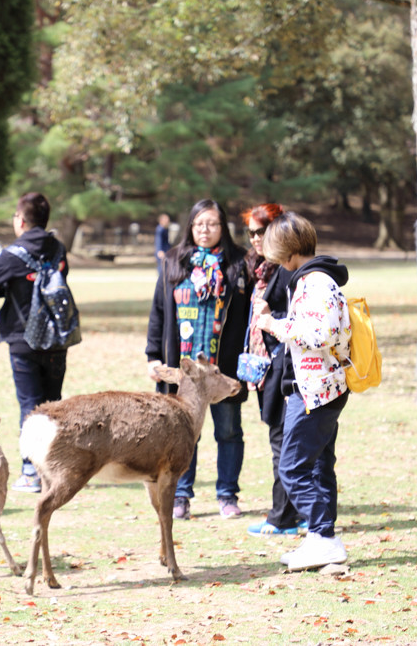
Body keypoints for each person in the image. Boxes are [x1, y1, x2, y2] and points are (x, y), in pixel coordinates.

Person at [251, 211, 351, 570]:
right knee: (320, 465)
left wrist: (274, 325)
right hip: (321, 386)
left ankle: (324, 538)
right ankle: (320, 539)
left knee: (292, 467)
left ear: (288, 251)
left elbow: (319, 335)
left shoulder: (316, 283)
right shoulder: (313, 279)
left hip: (315, 389)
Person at [145, 199, 251, 520]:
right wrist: (153, 355)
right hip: (184, 371)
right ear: (190, 226)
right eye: (199, 224)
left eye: (213, 224)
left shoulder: (238, 265)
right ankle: (180, 495)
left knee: (229, 431)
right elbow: (159, 312)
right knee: (181, 435)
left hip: (223, 368)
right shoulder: (174, 261)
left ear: (224, 228)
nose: (205, 230)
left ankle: (227, 495)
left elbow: (246, 317)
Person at [0, 193, 72, 493]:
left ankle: (31, 472)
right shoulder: (58, 248)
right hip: (57, 337)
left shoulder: (12, 254)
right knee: (53, 403)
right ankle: (54, 469)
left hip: (23, 339)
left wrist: (12, 283)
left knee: (30, 405)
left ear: (21, 220)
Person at [240, 203, 304, 537]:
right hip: (263, 365)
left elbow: (294, 321)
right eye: (250, 232)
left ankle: (283, 516)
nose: (255, 238)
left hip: (285, 366)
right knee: (282, 438)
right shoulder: (260, 268)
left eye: (261, 231)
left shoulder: (287, 269)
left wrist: (268, 313)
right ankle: (298, 511)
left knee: (283, 440)